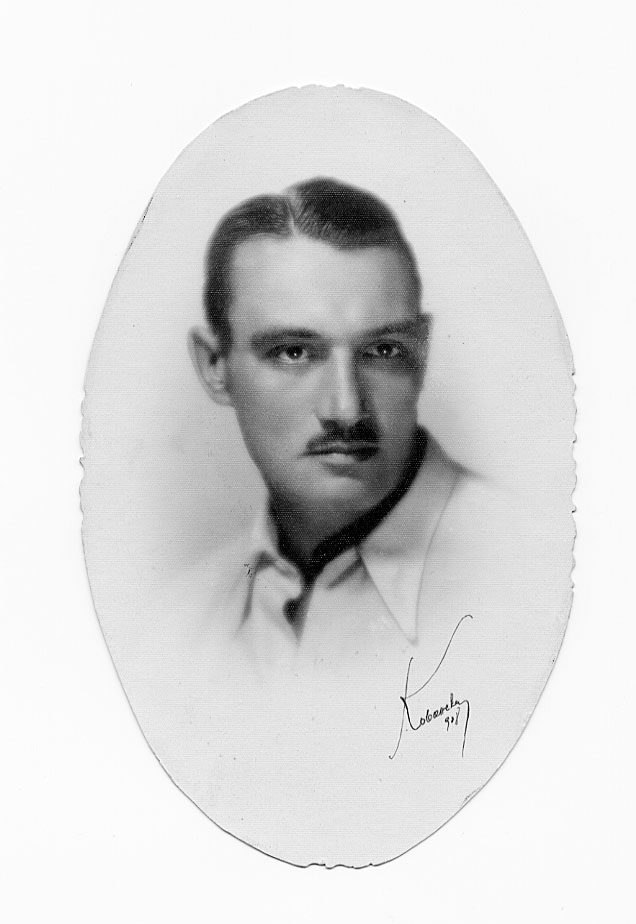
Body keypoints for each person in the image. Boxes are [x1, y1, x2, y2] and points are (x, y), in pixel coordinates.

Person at [187, 177, 469, 682]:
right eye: (293, 352)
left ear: (422, 354)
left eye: (383, 351)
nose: (346, 410)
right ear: (213, 366)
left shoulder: (529, 568)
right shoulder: (173, 622)